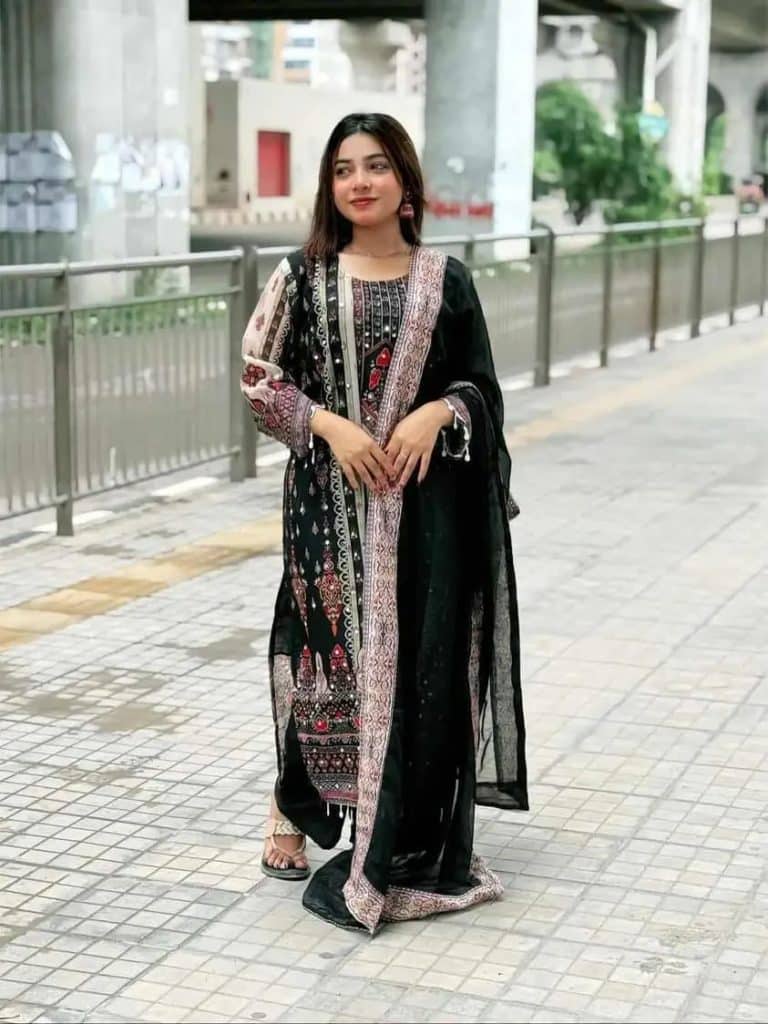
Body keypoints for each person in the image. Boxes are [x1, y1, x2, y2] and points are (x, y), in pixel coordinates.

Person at [241, 112, 527, 935]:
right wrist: (327, 425)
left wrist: (439, 412)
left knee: (416, 662)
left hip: (424, 510)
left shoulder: (447, 280)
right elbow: (259, 375)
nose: (358, 182)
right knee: (323, 653)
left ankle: (396, 825)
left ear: (404, 181)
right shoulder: (302, 277)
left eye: (374, 166)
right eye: (342, 170)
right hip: (327, 503)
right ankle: (293, 805)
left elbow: (480, 387)